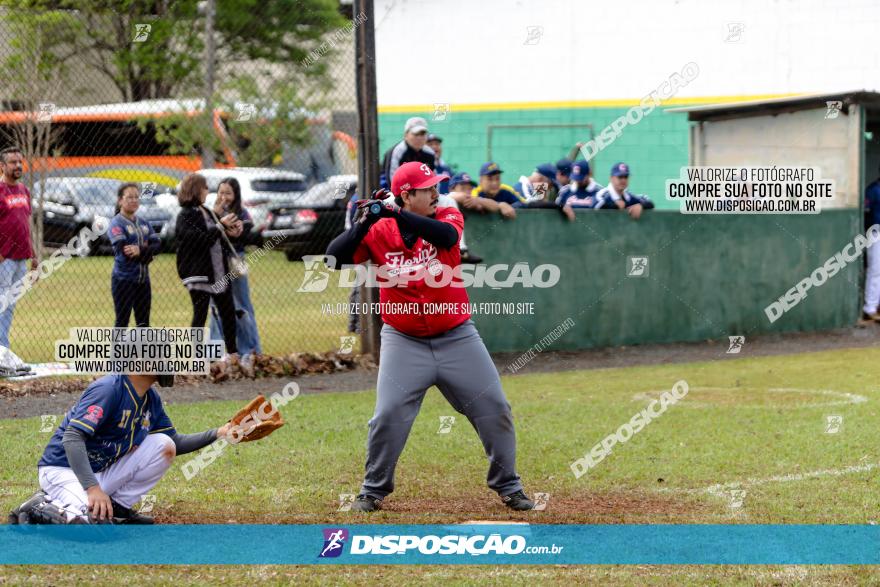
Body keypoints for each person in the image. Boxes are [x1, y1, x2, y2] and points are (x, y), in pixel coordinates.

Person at [325, 161, 534, 512]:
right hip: (403, 340)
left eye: (436, 186)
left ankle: (508, 484)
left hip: (457, 337)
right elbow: (333, 260)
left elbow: (448, 238)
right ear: (407, 195)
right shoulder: (379, 230)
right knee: (388, 414)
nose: (435, 192)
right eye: (427, 188)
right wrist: (366, 222)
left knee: (495, 407)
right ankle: (372, 490)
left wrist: (395, 212)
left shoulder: (446, 214)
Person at [7, 373, 233, 524]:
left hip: (99, 472)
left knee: (164, 445)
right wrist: (93, 489)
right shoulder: (108, 389)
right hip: (63, 469)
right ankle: (37, 506)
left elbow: (175, 441)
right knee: (94, 527)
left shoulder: (150, 398)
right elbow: (72, 438)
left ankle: (118, 509)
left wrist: (220, 433)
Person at [175, 173, 241, 358]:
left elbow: (216, 233)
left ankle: (232, 353)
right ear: (196, 190)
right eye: (205, 187)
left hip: (218, 271)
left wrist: (230, 229)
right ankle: (195, 356)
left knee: (228, 311)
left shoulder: (205, 210)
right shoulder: (186, 215)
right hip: (199, 273)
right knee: (201, 313)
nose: (207, 191)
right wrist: (220, 226)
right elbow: (197, 239)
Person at [208, 178, 262, 359]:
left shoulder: (242, 213)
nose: (224, 197)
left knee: (242, 306)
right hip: (215, 265)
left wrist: (238, 232)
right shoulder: (211, 213)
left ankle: (249, 351)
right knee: (216, 308)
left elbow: (248, 232)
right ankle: (214, 355)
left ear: (236, 195)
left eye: (228, 193)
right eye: (221, 192)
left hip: (234, 264)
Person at [0, 147, 38, 350]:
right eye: (12, 162)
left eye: (19, 162)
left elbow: (27, 224)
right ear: (2, 166)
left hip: (21, 258)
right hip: (4, 259)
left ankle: (3, 348)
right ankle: (1, 349)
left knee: (9, 305)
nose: (17, 165)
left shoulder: (24, 191)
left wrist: (33, 255)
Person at [109, 183, 161, 328]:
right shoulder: (116, 223)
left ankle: (142, 351)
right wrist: (148, 255)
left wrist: (141, 251)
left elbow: (158, 246)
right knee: (122, 321)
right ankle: (117, 351)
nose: (133, 200)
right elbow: (124, 251)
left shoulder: (144, 223)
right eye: (129, 197)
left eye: (136, 197)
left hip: (143, 281)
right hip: (123, 280)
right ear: (120, 200)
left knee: (144, 323)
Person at [449, 162, 520, 219]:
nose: (468, 192)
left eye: (470, 189)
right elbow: (454, 196)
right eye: (463, 188)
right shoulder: (446, 199)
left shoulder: (505, 191)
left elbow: (493, 205)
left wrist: (500, 205)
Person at [381, 117, 436, 182]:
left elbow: (433, 179)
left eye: (422, 134)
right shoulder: (397, 152)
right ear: (406, 135)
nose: (419, 138)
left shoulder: (430, 153)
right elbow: (392, 181)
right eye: (416, 134)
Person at [863, 168, 880, 321]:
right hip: (875, 233)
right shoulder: (873, 189)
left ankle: (876, 305)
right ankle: (870, 307)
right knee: (875, 270)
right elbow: (866, 213)